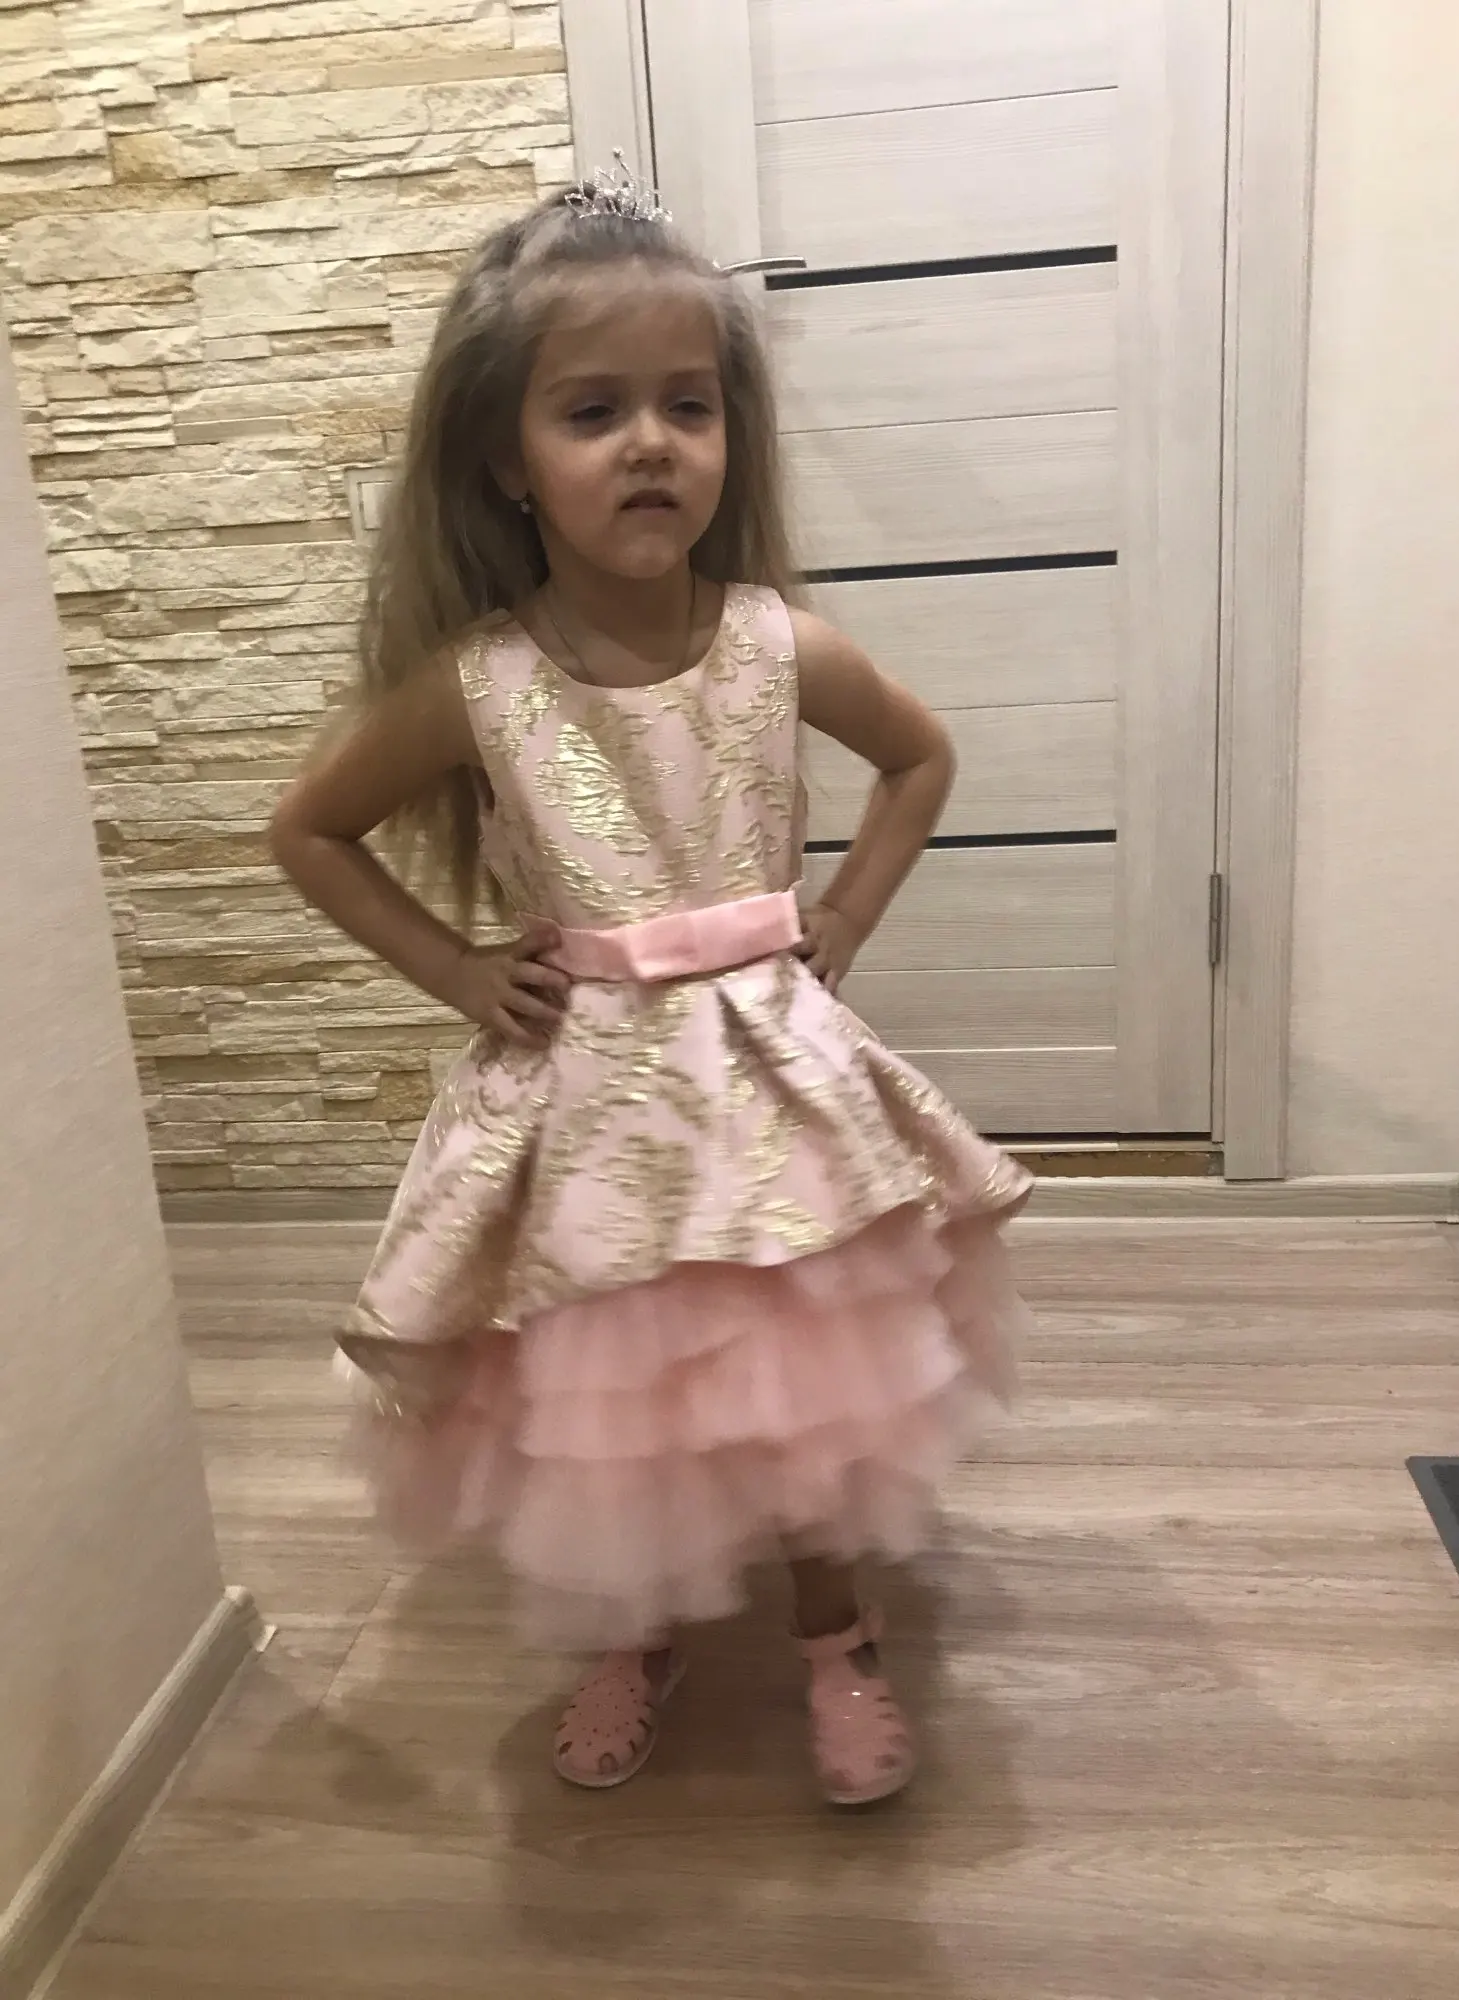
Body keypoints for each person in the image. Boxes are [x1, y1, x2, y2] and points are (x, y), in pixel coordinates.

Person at [269, 159, 1033, 1809]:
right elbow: (309, 831)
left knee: (804, 1387)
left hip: (772, 1095)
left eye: (689, 405)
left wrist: (841, 918)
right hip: (591, 1123)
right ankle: (633, 1630)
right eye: (593, 410)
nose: (651, 445)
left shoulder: (778, 646)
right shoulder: (478, 683)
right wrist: (457, 968)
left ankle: (836, 1639)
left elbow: (919, 759)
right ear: (507, 460)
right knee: (614, 1400)